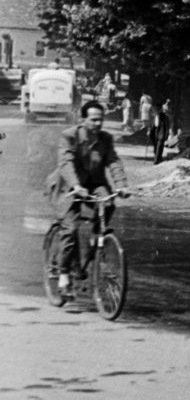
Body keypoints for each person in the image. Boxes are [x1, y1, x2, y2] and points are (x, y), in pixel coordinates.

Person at [54, 100, 131, 292]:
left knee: (108, 202)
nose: (98, 124)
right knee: (70, 230)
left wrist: (121, 185)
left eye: (101, 120)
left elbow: (113, 161)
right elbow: (66, 163)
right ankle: (63, 275)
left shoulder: (105, 138)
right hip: (69, 187)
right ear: (82, 120)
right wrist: (76, 185)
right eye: (93, 120)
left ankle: (97, 238)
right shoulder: (69, 136)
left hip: (95, 184)